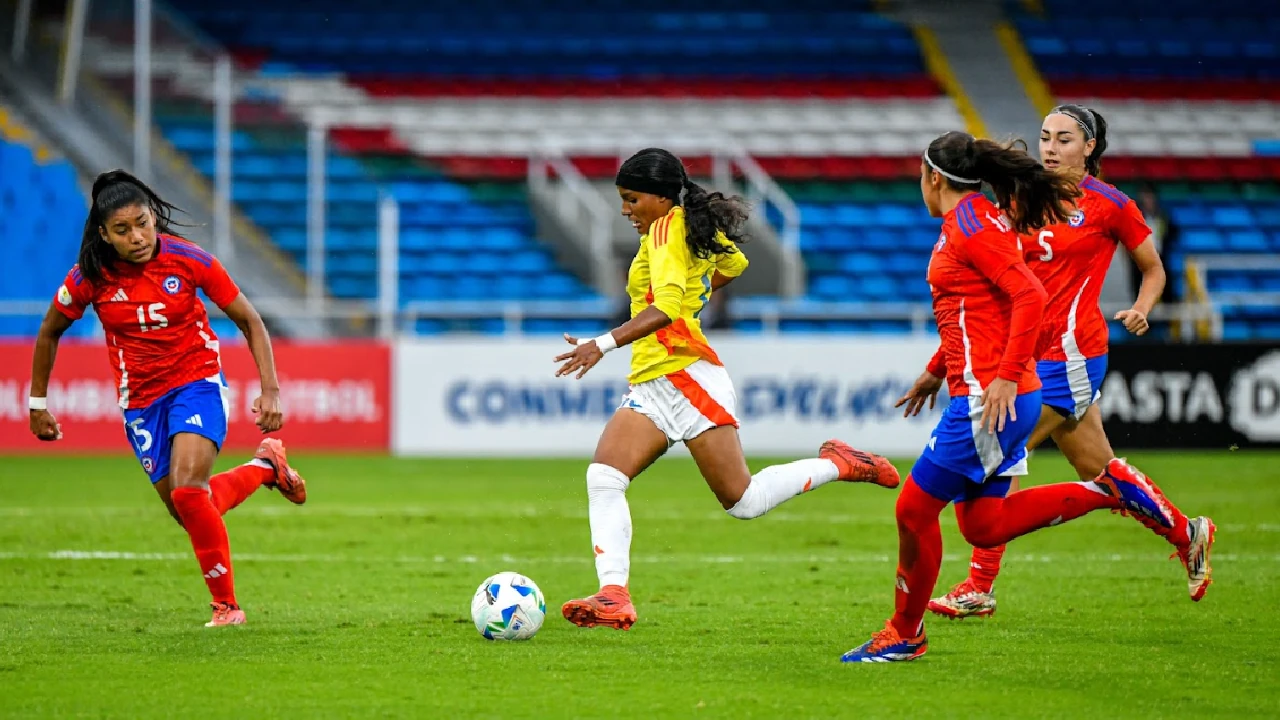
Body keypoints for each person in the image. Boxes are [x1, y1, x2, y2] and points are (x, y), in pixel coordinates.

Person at [841, 132, 1199, 663]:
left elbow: (1029, 295)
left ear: (933, 177)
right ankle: (1109, 491)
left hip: (991, 397)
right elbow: (981, 309)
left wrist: (1006, 375)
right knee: (983, 524)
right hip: (997, 389)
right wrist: (936, 371)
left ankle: (905, 633)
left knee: (913, 510)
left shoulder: (969, 225)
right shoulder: (982, 217)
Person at [552, 148, 900, 630]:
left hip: (686, 376)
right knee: (604, 478)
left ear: (657, 196)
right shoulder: (681, 227)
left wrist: (601, 343)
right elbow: (734, 262)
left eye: (631, 199)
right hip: (656, 378)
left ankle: (837, 463)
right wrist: (697, 287)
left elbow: (668, 308)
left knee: (744, 501)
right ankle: (613, 593)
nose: (625, 209)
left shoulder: (665, 230)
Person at [926, 106, 1214, 621]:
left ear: (1090, 149)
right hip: (1026, 354)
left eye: (1064, 139)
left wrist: (1142, 309)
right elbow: (993, 290)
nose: (1051, 147)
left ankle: (978, 585)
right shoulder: (1015, 199)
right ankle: (1186, 531)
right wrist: (938, 362)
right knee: (1098, 470)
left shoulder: (1110, 205)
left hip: (1074, 355)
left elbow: (1152, 267)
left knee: (1003, 450)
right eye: (1044, 137)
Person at [27, 169, 307, 628]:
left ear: (153, 216)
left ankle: (227, 608)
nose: (137, 236)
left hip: (196, 381)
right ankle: (264, 467)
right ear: (103, 234)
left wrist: (270, 387)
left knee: (188, 491)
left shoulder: (189, 259)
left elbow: (250, 320)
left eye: (142, 222)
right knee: (192, 508)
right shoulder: (90, 275)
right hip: (139, 401)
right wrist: (37, 405)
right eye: (122, 229)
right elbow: (49, 331)